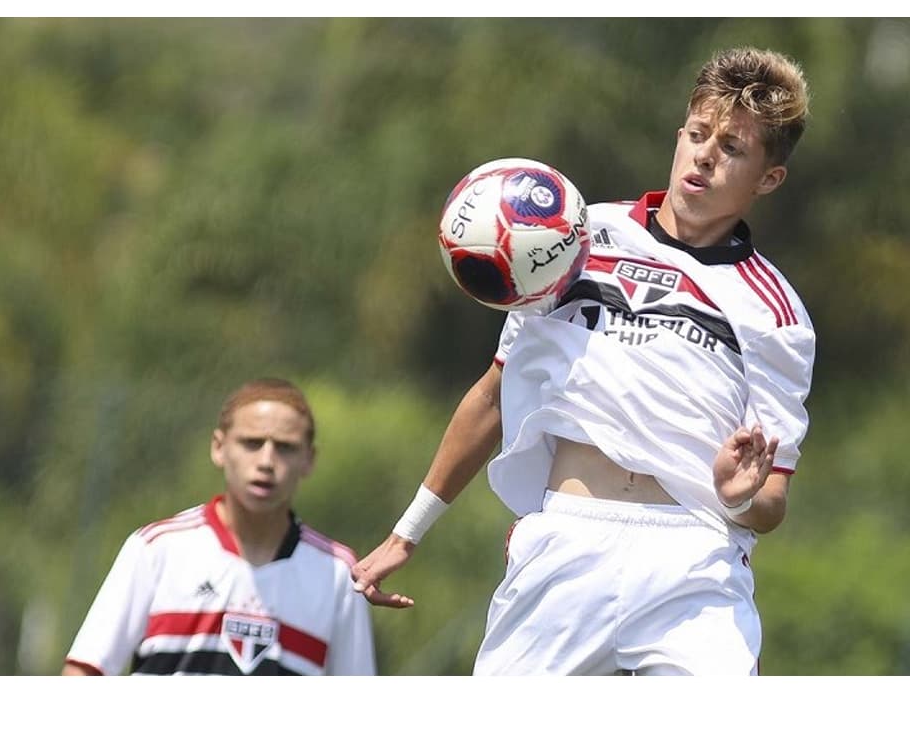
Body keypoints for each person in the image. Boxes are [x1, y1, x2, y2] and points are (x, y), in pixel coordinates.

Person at [351, 46, 815, 675]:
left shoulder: (776, 312)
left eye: (732, 148)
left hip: (695, 561)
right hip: (567, 541)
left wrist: (739, 498)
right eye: (698, 135)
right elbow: (493, 394)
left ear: (768, 178)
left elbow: (773, 500)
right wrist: (407, 532)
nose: (704, 155)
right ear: (679, 135)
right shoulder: (572, 238)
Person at [63, 378, 376, 675]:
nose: (266, 461)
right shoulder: (157, 550)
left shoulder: (338, 576)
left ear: (309, 459)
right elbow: (85, 672)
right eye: (252, 443)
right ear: (219, 447)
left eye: (285, 447)